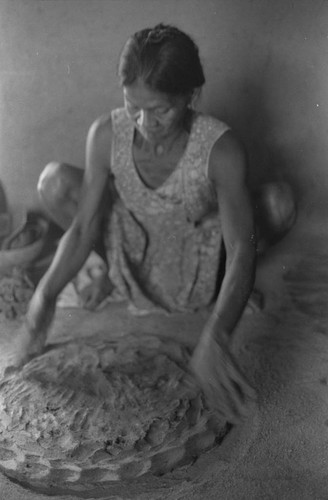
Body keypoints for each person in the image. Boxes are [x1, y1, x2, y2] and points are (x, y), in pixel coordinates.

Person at [23, 24, 295, 423]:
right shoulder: (106, 134)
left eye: (161, 110)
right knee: (56, 180)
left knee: (278, 203)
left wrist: (217, 335)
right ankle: (115, 276)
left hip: (200, 255)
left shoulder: (220, 147)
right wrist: (43, 298)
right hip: (133, 245)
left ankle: (223, 293)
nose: (144, 124)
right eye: (133, 106)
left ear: (191, 96)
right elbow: (82, 229)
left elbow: (240, 246)